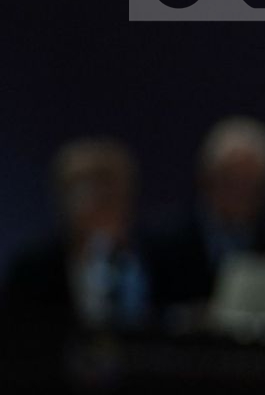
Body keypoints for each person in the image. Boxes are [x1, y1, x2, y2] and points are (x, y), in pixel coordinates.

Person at [144, 115, 265, 311]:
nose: (240, 193)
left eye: (251, 184)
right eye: (230, 180)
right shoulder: (161, 243)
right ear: (206, 178)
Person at [1, 137, 152, 332]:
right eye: (79, 186)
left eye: (105, 183)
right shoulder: (32, 271)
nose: (94, 197)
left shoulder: (163, 258)